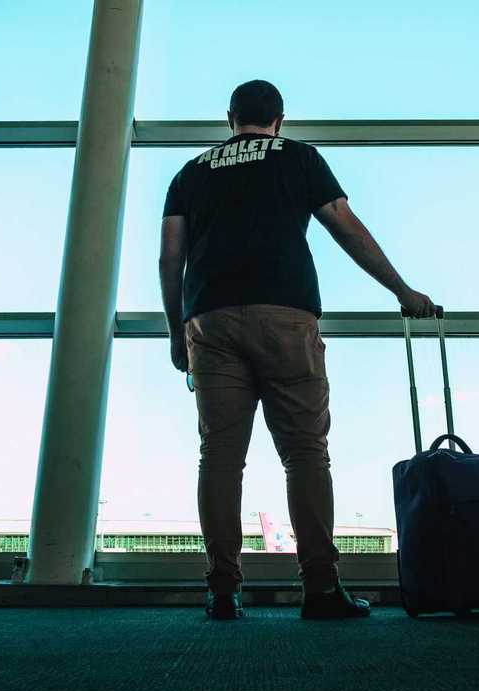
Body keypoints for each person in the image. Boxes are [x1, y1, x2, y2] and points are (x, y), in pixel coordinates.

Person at [158, 79, 435, 620]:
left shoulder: (191, 172)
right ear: (279, 120)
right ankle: (321, 588)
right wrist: (402, 290)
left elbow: (171, 258)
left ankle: (221, 590)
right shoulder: (300, 158)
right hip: (286, 315)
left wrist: (176, 331)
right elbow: (346, 228)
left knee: (219, 457)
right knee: (305, 453)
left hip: (210, 323)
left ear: (230, 118)